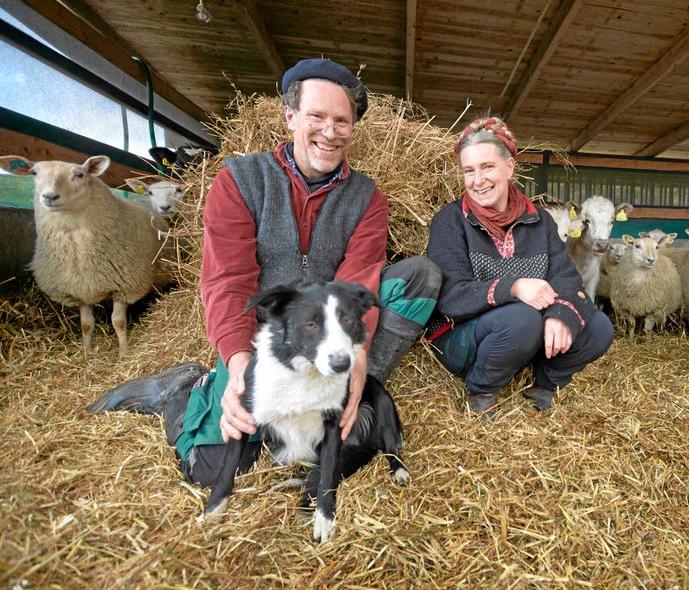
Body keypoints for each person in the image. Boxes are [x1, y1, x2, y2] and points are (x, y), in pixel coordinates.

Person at [90, 58, 441, 485]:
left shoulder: (367, 197)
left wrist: (358, 356)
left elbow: (358, 279)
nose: (329, 132)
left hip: (329, 336)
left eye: (342, 121)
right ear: (290, 115)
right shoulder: (240, 180)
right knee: (213, 469)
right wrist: (239, 366)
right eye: (316, 117)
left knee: (421, 277)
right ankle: (184, 390)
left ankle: (347, 391)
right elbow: (227, 281)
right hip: (267, 341)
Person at [424, 117, 613, 417]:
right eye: (469, 171)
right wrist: (511, 287)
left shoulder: (541, 222)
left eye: (487, 167)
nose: (477, 180)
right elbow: (450, 296)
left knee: (598, 326)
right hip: (460, 339)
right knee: (522, 318)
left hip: (520, 336)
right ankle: (482, 390)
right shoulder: (450, 221)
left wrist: (561, 314)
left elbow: (566, 277)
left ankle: (544, 385)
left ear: (509, 167)